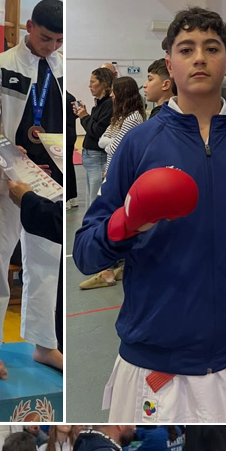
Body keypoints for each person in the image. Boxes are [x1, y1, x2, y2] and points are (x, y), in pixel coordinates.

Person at [75, 9, 226, 422]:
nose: (199, 58)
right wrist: (126, 224)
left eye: (211, 48)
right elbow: (85, 252)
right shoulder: (139, 143)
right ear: (170, 64)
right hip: (156, 359)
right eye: (186, 49)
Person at [0, 0, 67, 380]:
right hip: (5, 176)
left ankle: (44, 343)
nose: (51, 47)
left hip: (48, 179)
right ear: (29, 26)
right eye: (45, 38)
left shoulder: (61, 68)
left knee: (46, 260)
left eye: (58, 41)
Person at [78, 75, 149, 291]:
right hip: (111, 171)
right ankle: (115, 265)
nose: (111, 95)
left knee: (110, 218)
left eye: (114, 92)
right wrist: (110, 143)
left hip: (122, 175)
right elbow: (103, 140)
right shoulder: (120, 117)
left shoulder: (133, 118)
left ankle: (107, 271)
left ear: (123, 93)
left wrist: (110, 143)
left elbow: (115, 147)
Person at [74, 65, 116, 205]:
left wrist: (85, 117)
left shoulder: (109, 105)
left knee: (95, 198)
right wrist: (84, 116)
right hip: (92, 156)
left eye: (93, 82)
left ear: (103, 83)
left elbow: (98, 131)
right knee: (91, 195)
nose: (89, 85)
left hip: (97, 157)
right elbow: (92, 128)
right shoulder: (99, 104)